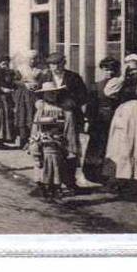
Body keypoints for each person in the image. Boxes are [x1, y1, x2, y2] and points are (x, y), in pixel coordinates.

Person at [102, 54, 137, 198]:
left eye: (134, 69)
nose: (131, 72)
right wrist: (122, 77)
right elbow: (109, 92)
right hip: (125, 118)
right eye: (128, 69)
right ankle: (123, 186)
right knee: (123, 149)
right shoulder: (120, 82)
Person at [38, 52, 87, 192]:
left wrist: (72, 102)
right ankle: (51, 180)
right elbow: (38, 93)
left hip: (69, 115)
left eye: (58, 64)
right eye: (52, 65)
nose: (55, 68)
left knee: (69, 148)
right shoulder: (45, 76)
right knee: (51, 146)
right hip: (49, 115)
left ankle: (70, 181)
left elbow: (83, 96)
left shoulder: (73, 77)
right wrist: (39, 101)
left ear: (63, 64)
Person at [29, 81, 79, 200]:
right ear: (44, 95)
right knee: (41, 164)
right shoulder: (41, 109)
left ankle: (56, 187)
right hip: (43, 141)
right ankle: (43, 187)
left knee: (56, 165)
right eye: (48, 93)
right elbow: (36, 127)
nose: (51, 95)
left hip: (57, 142)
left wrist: (71, 147)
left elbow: (69, 129)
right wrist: (33, 141)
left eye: (53, 93)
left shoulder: (65, 110)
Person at [82, 57, 121, 184]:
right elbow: (91, 106)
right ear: (102, 70)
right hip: (100, 121)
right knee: (98, 147)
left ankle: (113, 175)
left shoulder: (121, 85)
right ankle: (95, 174)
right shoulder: (96, 86)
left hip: (117, 120)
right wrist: (90, 121)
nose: (109, 73)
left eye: (112, 70)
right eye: (107, 70)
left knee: (114, 147)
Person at [12, 50, 42, 149]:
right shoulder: (20, 69)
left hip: (35, 96)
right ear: (26, 60)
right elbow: (14, 81)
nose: (32, 61)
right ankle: (23, 141)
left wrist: (37, 85)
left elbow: (44, 82)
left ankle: (33, 141)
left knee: (33, 117)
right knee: (22, 117)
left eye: (35, 59)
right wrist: (24, 84)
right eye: (30, 59)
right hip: (23, 96)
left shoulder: (40, 70)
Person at [0, 55, 17, 149]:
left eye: (6, 64)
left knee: (5, 121)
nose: (5, 66)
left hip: (7, 99)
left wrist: (12, 89)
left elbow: (13, 84)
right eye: (3, 64)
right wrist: (3, 89)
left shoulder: (10, 73)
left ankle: (2, 142)